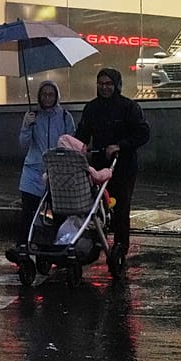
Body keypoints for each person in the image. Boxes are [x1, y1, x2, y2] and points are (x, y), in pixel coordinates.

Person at [74, 68, 150, 273]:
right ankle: (95, 242)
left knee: (121, 206)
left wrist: (120, 145)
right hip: (98, 164)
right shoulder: (91, 108)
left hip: (122, 165)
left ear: (116, 85)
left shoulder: (129, 107)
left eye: (108, 84)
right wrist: (79, 149)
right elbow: (82, 133)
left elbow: (142, 133)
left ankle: (120, 248)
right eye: (101, 84)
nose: (105, 87)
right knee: (95, 206)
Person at [6, 80, 75, 262]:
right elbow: (23, 144)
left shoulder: (65, 117)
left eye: (51, 94)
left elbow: (71, 142)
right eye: (44, 94)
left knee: (59, 212)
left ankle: (58, 249)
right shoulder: (32, 116)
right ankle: (23, 247)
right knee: (28, 212)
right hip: (33, 172)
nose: (47, 98)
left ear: (56, 96)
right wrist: (27, 126)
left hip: (57, 173)